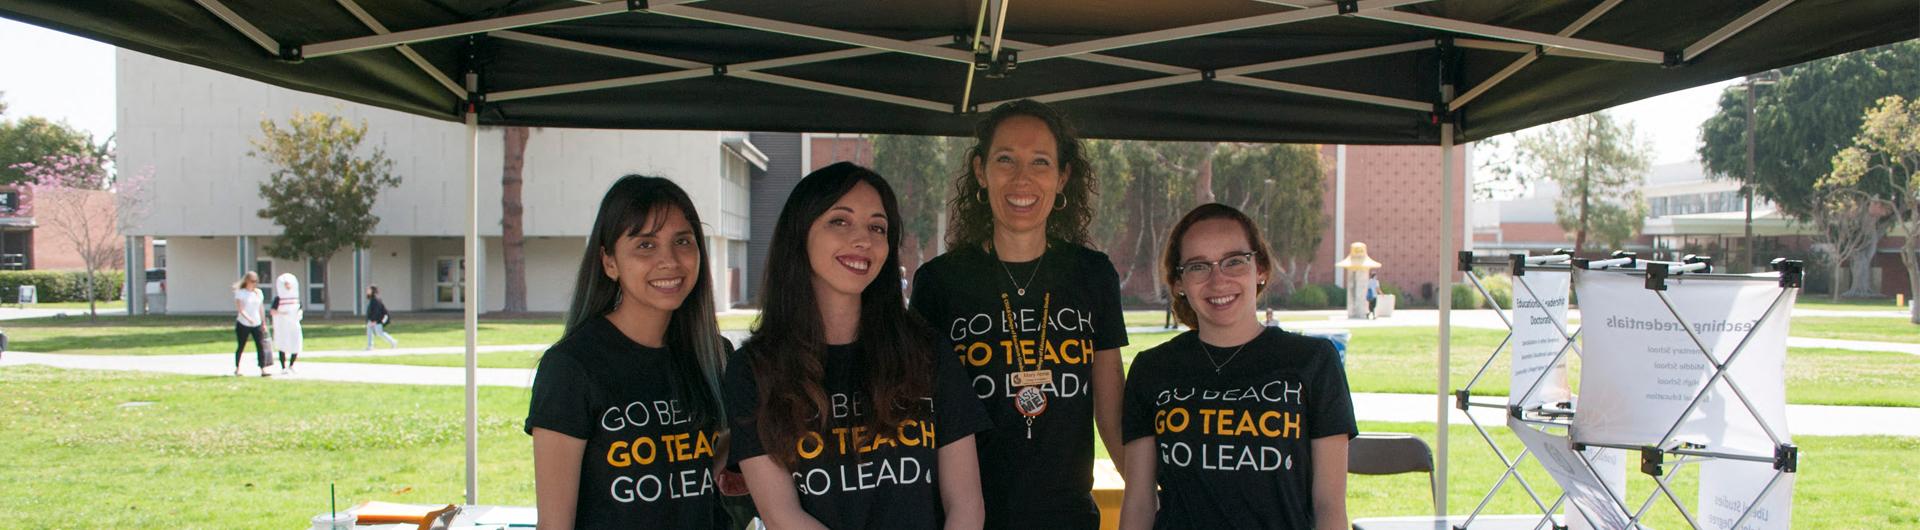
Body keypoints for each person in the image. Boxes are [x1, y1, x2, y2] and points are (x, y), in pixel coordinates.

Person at [726, 162, 989, 530]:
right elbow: (782, 515)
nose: (863, 239)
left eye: (877, 227)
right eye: (840, 221)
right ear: (800, 232)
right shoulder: (753, 371)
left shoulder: (928, 353)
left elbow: (965, 502)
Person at [910, 99, 1127, 530]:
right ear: (980, 171)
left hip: (1068, 519)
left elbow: (1111, 410)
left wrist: (1147, 497)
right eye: (1005, 159)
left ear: (1063, 176)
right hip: (969, 519)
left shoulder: (1092, 274)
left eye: (1040, 162)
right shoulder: (939, 282)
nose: (1022, 178)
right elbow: (922, 419)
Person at [1119, 204, 1356, 530]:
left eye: (1234, 261)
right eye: (1199, 266)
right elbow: (1139, 502)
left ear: (1260, 269)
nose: (1218, 280)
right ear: (1178, 283)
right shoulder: (1152, 369)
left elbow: (1328, 506)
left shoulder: (1313, 361)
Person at [524, 175, 735, 530]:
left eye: (683, 241)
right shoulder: (571, 368)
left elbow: (706, 462)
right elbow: (554, 525)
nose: (669, 260)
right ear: (609, 262)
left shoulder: (715, 355)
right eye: (645, 245)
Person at [231, 271, 271, 377]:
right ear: (247, 281)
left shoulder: (258, 292)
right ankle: (237, 368)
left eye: (256, 281)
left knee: (260, 345)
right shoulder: (241, 292)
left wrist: (263, 323)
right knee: (241, 345)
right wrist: (248, 318)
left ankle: (263, 368)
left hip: (256, 323)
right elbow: (240, 308)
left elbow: (261, 308)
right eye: (252, 281)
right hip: (243, 323)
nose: (254, 283)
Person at [270, 273, 304, 374]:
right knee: (282, 344)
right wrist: (282, 314)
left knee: (296, 343)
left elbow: (300, 308)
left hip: (294, 325)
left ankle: (292, 365)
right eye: (285, 284)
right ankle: (283, 367)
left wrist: (298, 313)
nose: (287, 286)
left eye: (289, 284)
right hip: (282, 325)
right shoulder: (278, 299)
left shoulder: (296, 298)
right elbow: (272, 311)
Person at [365, 285, 398, 350]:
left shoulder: (375, 300)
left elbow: (377, 311)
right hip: (372, 319)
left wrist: (374, 320)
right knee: (369, 331)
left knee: (379, 333)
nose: (367, 290)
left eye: (368, 289)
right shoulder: (372, 299)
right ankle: (370, 346)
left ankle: (393, 342)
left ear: (372, 291)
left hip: (376, 319)